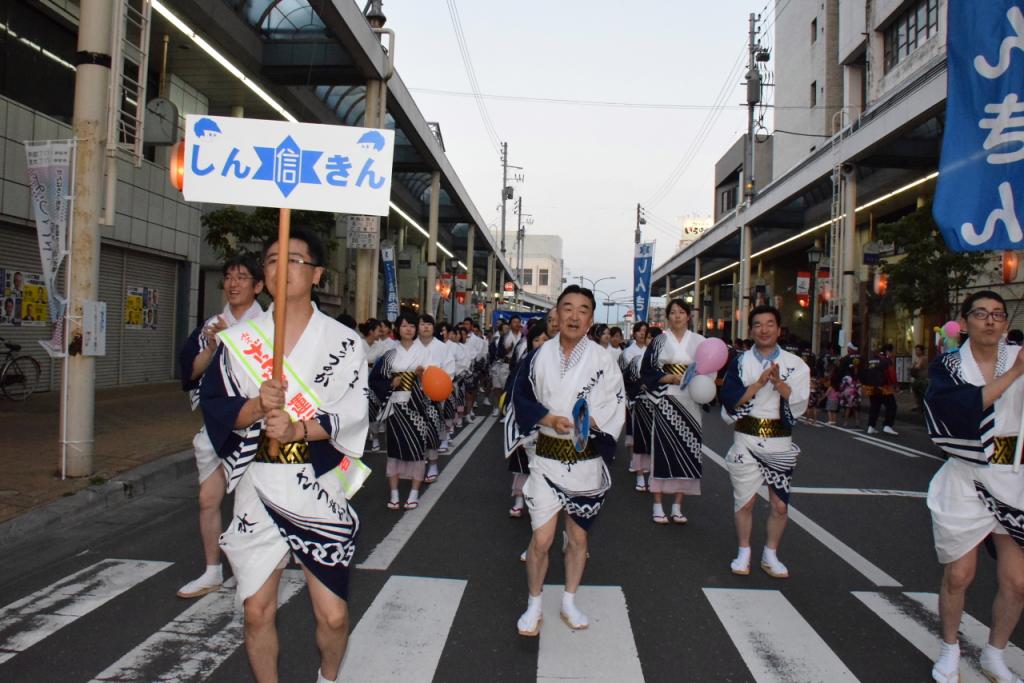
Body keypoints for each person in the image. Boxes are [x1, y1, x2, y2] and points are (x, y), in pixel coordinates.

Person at [200, 227, 368, 683]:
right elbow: (215, 407)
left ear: (317, 274)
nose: (282, 268)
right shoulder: (241, 342)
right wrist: (257, 407)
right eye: (273, 259)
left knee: (332, 616)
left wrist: (297, 426)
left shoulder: (345, 343)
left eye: (295, 259)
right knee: (256, 611)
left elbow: (352, 413)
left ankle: (328, 678)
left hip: (317, 484)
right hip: (260, 483)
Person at [505, 285, 625, 636]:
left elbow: (617, 404)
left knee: (577, 538)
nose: (574, 316)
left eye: (582, 310)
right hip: (546, 457)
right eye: (567, 308)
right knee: (541, 539)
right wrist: (548, 419)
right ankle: (534, 603)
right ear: (555, 313)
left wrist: (589, 425)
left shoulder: (603, 359)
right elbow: (520, 395)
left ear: (591, 318)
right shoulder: (539, 355)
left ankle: (570, 600)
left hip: (585, 460)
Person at [924, 291, 1024, 683]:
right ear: (964, 322)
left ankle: (995, 653)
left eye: (998, 314)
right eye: (981, 314)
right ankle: (950, 648)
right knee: (959, 575)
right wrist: (1014, 374)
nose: (991, 321)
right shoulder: (948, 365)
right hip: (967, 476)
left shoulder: (1017, 354)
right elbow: (958, 412)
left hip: (1013, 477)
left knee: (1017, 581)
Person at [175, 253, 264, 599]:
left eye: (242, 277)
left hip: (255, 426)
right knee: (207, 497)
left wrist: (236, 338)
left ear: (258, 286)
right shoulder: (212, 324)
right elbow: (192, 372)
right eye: (229, 276)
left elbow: (268, 373)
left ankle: (255, 569)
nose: (233, 283)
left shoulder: (269, 325)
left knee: (254, 503)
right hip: (217, 424)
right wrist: (212, 346)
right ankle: (212, 570)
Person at [719, 304, 810, 579]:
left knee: (779, 504)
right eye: (758, 324)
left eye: (769, 324)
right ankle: (744, 550)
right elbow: (730, 400)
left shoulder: (796, 364)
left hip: (779, 441)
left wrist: (779, 384)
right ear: (751, 330)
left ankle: (771, 553)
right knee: (745, 502)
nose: (764, 329)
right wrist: (757, 385)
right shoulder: (739, 362)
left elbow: (800, 400)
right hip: (746, 438)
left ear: (779, 329)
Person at [639, 300, 706, 524]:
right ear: (668, 317)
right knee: (662, 449)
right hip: (666, 398)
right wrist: (672, 377)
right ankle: (657, 504)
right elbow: (647, 370)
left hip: (691, 400)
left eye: (681, 312)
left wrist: (698, 381)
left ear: (689, 316)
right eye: (673, 313)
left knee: (689, 451)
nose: (677, 316)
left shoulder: (700, 341)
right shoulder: (659, 341)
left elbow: (708, 369)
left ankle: (678, 505)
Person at [370, 311, 441, 510]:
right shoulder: (390, 354)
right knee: (394, 450)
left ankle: (414, 493)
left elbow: (434, 380)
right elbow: (375, 379)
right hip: (395, 408)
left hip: (417, 407)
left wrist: (421, 376)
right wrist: (392, 381)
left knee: (418, 450)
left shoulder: (425, 353)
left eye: (412, 325)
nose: (408, 329)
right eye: (404, 326)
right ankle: (394, 493)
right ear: (397, 329)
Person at [504, 322, 550, 518]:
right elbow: (513, 390)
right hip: (525, 420)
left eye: (545, 340)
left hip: (548, 420)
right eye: (536, 339)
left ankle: (540, 502)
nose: (540, 343)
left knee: (544, 464)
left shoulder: (557, 365)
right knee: (523, 464)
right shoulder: (524, 362)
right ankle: (519, 500)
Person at [420, 315, 453, 480]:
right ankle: (418, 465)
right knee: (417, 432)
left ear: (434, 328)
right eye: (422, 324)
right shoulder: (411, 346)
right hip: (413, 396)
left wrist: (438, 384)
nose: (425, 327)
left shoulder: (442, 347)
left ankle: (433, 464)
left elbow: (449, 371)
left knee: (431, 431)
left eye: (429, 324)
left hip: (434, 396)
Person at [621, 322, 650, 490]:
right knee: (634, 432)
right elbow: (625, 376)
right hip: (633, 397)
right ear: (634, 333)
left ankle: (643, 462)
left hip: (650, 397)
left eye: (644, 332)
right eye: (639, 331)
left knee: (648, 433)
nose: (641, 334)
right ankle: (635, 461)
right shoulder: (628, 352)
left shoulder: (650, 352)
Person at [864, 343, 899, 435]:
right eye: (892, 352)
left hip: (870, 387)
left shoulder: (872, 359)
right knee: (892, 406)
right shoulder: (886, 360)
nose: (893, 354)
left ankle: (871, 426)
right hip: (883, 388)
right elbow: (891, 375)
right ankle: (887, 425)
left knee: (874, 406)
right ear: (888, 352)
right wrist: (895, 385)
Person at [911, 344, 929, 413]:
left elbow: (918, 367)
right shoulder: (917, 359)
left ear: (922, 351)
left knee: (922, 393)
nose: (916, 352)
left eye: (918, 350)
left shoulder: (924, 358)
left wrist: (913, 366)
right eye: (916, 350)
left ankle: (922, 407)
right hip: (917, 378)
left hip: (923, 379)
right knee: (916, 393)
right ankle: (918, 406)